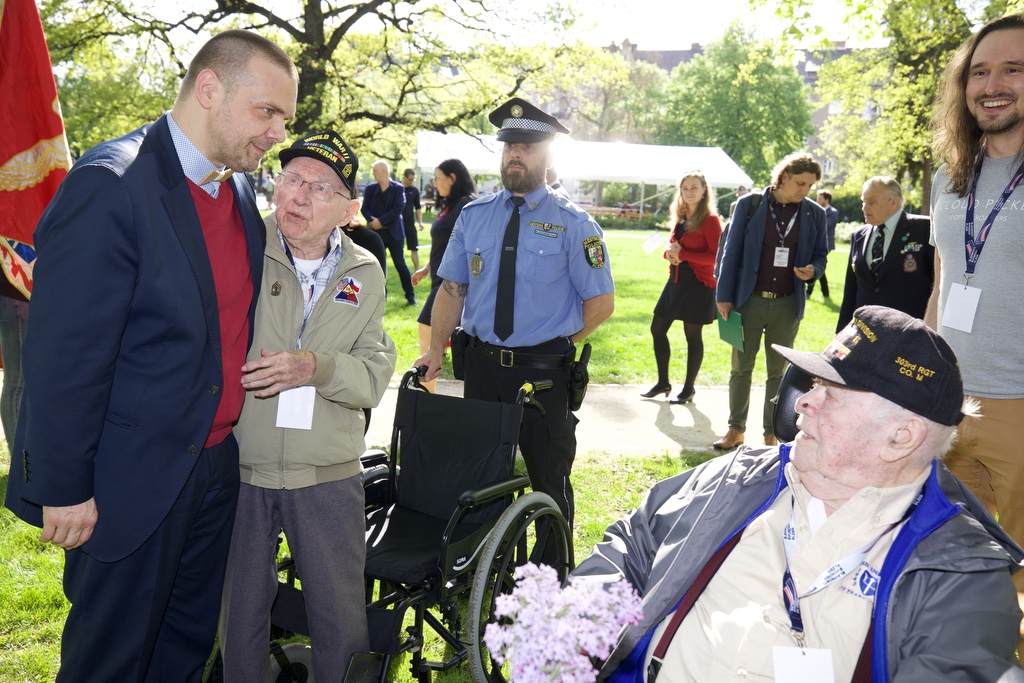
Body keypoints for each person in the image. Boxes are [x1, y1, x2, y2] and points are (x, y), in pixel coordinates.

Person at [3, 30, 298, 682]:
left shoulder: (242, 194)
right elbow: (64, 352)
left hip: (215, 470)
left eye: (285, 118)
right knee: (110, 664)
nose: (278, 132)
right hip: (127, 481)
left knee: (182, 656)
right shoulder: (114, 184)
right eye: (267, 111)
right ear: (209, 88)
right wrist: (65, 485)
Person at [572, 305, 1024, 683]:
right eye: (812, 386)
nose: (803, 403)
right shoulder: (739, 478)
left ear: (901, 437)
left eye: (833, 394)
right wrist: (574, 631)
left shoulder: (961, 575)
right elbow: (630, 545)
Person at [219, 132, 396, 682]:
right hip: (242, 465)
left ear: (349, 210)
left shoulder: (366, 272)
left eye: (321, 188)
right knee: (238, 617)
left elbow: (373, 377)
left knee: (338, 616)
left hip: (328, 471)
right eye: (292, 177)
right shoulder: (243, 244)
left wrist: (312, 367)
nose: (298, 195)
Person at [413, 97, 615, 527]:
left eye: (526, 147)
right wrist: (436, 348)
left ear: (546, 155)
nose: (515, 155)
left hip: (544, 375)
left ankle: (550, 577)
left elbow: (601, 303)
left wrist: (558, 341)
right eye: (509, 146)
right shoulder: (475, 216)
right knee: (481, 478)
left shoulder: (575, 224)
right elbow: (452, 289)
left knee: (549, 481)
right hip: (483, 370)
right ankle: (487, 575)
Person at [928, 12, 1024, 654]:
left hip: (1020, 406)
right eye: (980, 71)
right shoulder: (949, 176)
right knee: (955, 570)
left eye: (1014, 69)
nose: (993, 85)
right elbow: (941, 285)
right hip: (949, 403)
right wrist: (922, 378)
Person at [714, 152, 828, 450]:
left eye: (810, 186)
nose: (805, 190)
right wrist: (723, 296)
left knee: (778, 372)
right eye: (800, 183)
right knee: (740, 368)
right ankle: (735, 430)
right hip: (746, 302)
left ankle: (771, 433)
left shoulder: (814, 213)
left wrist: (813, 270)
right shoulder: (749, 205)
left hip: (787, 304)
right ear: (784, 177)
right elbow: (730, 252)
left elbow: (821, 254)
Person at [641, 171, 722, 405]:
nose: (689, 192)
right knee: (657, 328)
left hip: (699, 284)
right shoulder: (681, 215)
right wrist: (670, 255)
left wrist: (683, 255)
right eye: (685, 188)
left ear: (704, 189)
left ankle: (688, 389)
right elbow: (672, 246)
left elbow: (717, 257)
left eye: (694, 188)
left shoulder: (710, 219)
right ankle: (663, 382)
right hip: (676, 280)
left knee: (692, 335)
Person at [410, 158, 477, 393]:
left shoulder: (467, 207)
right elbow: (448, 246)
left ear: (453, 178)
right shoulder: (450, 205)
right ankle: (428, 397)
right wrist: (426, 268)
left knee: (427, 335)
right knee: (428, 339)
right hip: (437, 280)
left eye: (438, 178)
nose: (435, 183)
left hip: (451, 286)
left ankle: (426, 399)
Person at [837, 177, 933, 332]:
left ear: (893, 202)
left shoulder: (924, 229)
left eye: (871, 202)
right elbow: (851, 290)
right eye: (863, 201)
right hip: (865, 331)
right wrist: (841, 331)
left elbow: (937, 284)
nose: (864, 207)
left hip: (908, 331)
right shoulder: (859, 235)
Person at [362, 160, 415, 305]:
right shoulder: (370, 188)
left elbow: (398, 209)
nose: (373, 173)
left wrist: (381, 221)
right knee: (376, 265)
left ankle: (410, 296)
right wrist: (372, 222)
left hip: (394, 233)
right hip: (376, 234)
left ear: (384, 171)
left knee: (400, 264)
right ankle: (380, 296)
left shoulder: (398, 188)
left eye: (375, 171)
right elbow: (364, 208)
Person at [808, 189, 838, 298]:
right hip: (816, 242)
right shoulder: (815, 211)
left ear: (827, 200)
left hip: (827, 244)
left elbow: (825, 226)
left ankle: (809, 291)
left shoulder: (833, 213)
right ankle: (825, 292)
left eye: (820, 198)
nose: (817, 200)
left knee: (817, 264)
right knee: (818, 267)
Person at [401, 167, 423, 271]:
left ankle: (417, 269)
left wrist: (420, 222)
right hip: (398, 223)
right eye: (409, 179)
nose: (411, 181)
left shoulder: (414, 190)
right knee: (398, 249)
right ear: (404, 177)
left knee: (414, 247)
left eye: (412, 179)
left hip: (410, 222)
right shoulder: (397, 188)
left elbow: (418, 207)